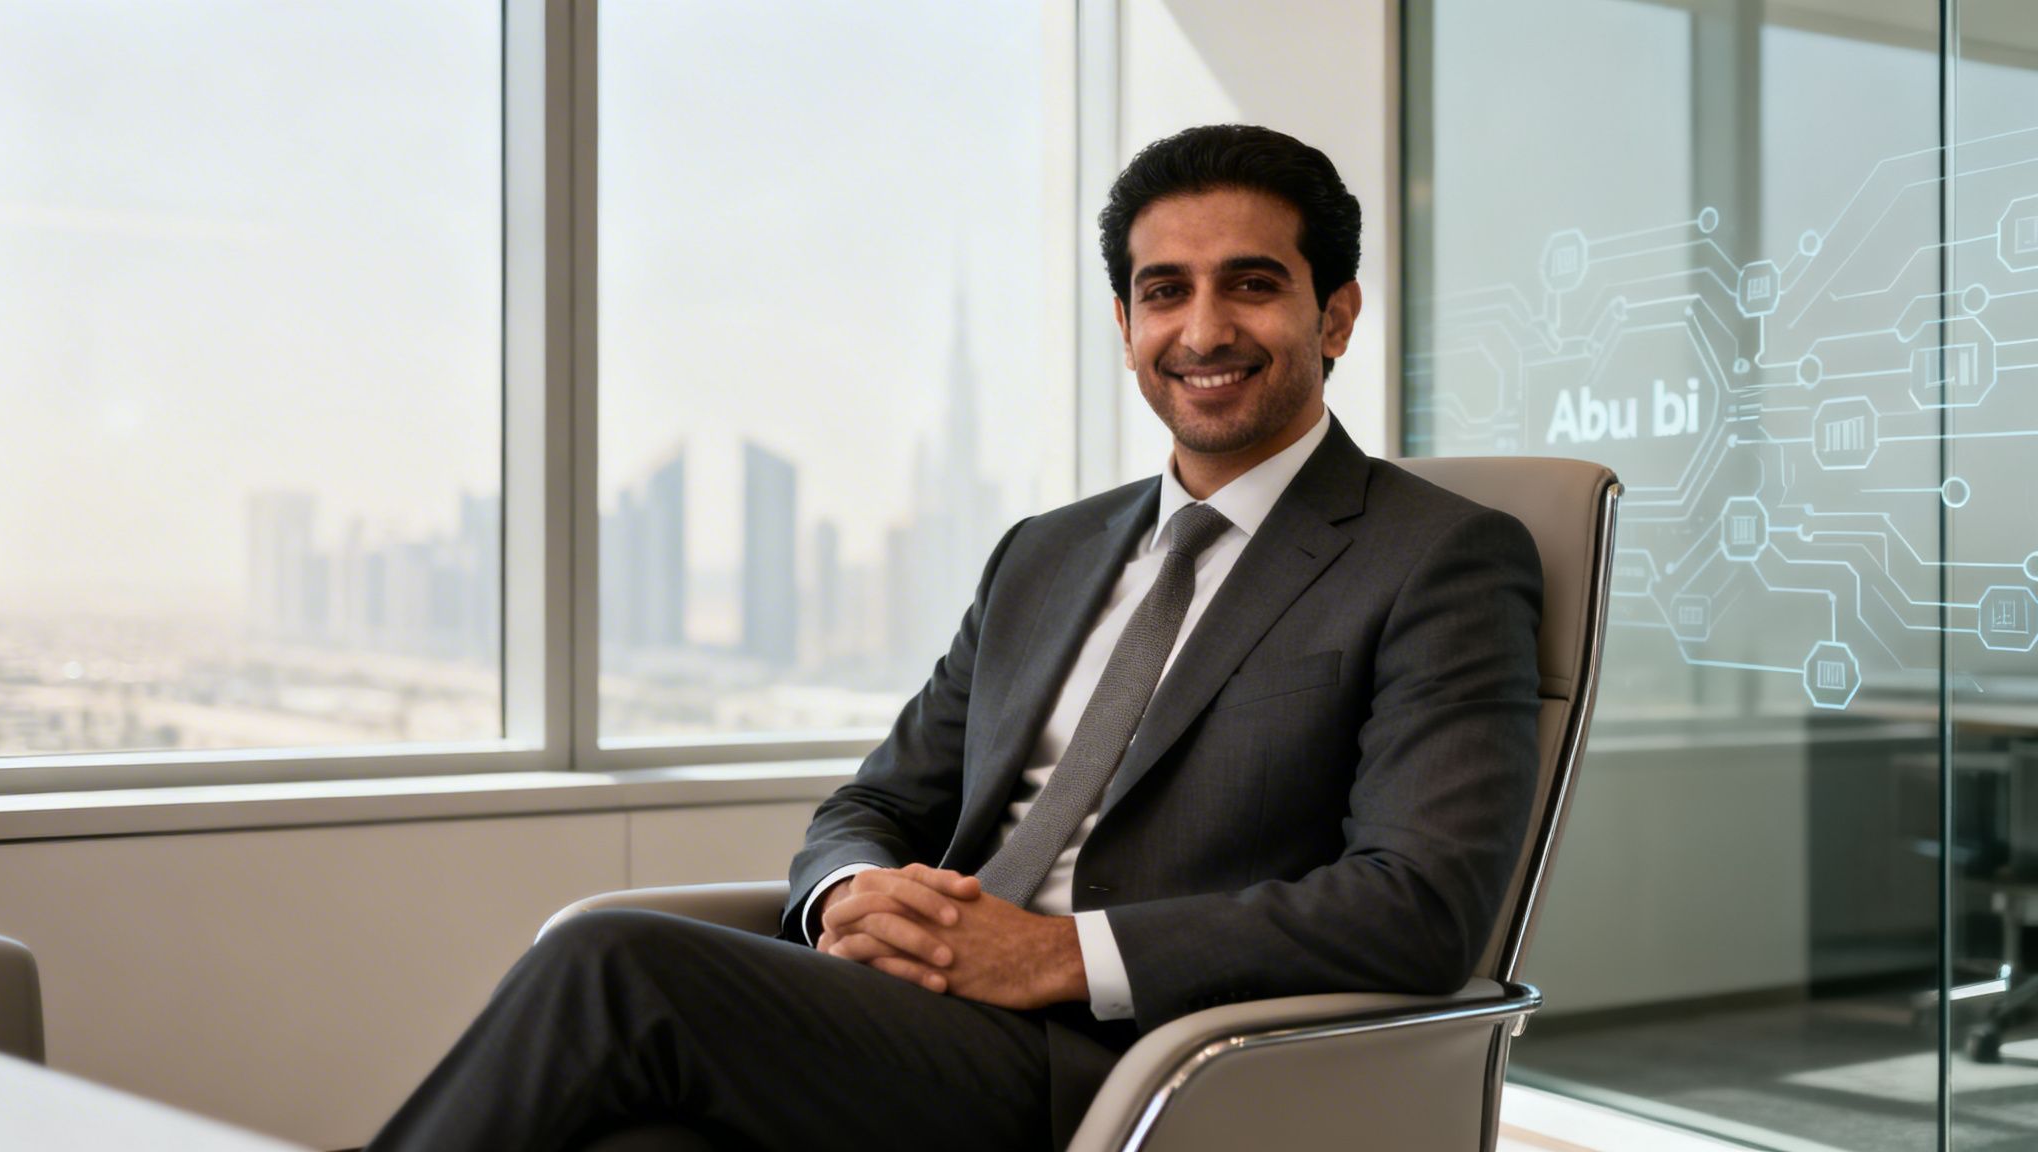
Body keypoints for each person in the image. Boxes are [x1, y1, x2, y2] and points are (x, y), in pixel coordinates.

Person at [367, 123, 1542, 1152]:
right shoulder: (1046, 554)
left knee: (613, 962)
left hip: (1127, 1065)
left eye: (1248, 284)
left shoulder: (1435, 556)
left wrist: (1050, 957)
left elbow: (1417, 905)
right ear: (1126, 322)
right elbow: (869, 806)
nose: (1201, 328)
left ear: (1332, 315)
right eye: (1162, 290)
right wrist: (851, 900)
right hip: (919, 1018)